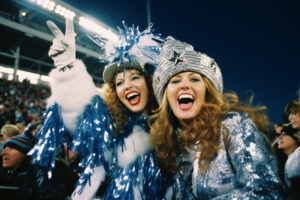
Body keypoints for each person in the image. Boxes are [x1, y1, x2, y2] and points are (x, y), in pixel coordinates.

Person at [29, 18, 167, 199]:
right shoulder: (112, 126)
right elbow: (76, 110)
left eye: (135, 78)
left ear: (149, 82)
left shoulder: (173, 125)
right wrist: (67, 68)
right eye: (119, 83)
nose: (126, 86)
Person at [149, 36, 287, 199]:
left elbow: (268, 191)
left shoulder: (233, 125)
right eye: (175, 81)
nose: (184, 85)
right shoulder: (170, 147)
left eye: (194, 79)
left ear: (207, 91)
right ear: (167, 97)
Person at [0, 134, 70, 199]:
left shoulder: (44, 169)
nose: (3, 153)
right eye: (4, 148)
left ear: (25, 152)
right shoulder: (9, 174)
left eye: (11, 148)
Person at [277, 122, 300, 199]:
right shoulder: (289, 160)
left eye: (284, 134)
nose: (279, 138)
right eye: (280, 135)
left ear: (296, 137)